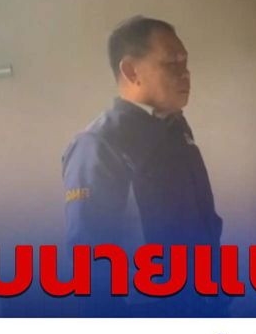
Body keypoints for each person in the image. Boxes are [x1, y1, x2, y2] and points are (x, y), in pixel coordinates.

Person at [62, 16, 223, 314]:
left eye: (185, 62)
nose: (185, 73)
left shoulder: (175, 128)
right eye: (172, 63)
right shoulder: (98, 143)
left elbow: (201, 217)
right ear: (131, 71)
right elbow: (89, 260)